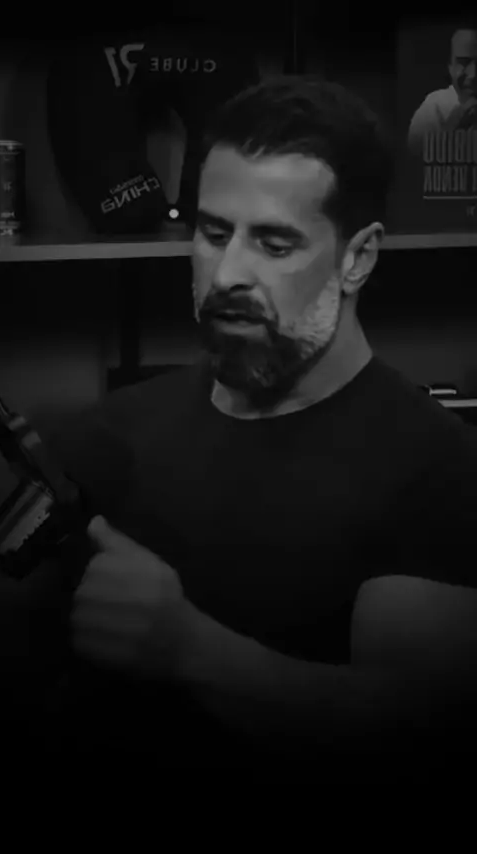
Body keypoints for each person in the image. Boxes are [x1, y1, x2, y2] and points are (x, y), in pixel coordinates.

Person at [45, 75, 477, 780]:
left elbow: (417, 734)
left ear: (357, 257)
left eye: (274, 244)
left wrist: (190, 648)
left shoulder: (436, 469)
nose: (227, 275)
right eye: (214, 234)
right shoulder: (108, 434)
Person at [408, 27, 477, 154]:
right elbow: (413, 161)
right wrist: (450, 130)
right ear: (450, 67)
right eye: (464, 62)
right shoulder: (434, 109)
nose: (473, 75)